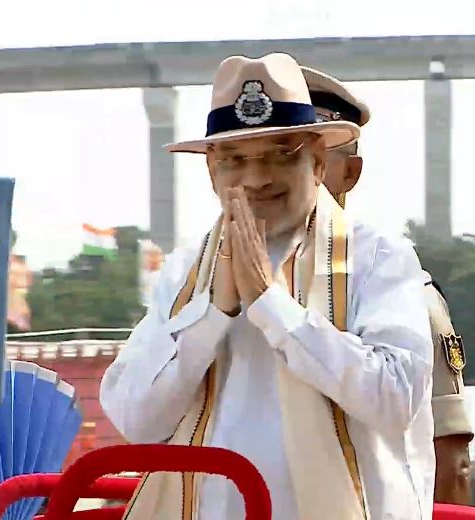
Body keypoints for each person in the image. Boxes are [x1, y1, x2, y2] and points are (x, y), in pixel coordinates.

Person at [100, 53, 435, 520]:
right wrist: (213, 314)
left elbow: (396, 398)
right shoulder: (183, 272)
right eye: (235, 159)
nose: (257, 179)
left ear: (318, 162)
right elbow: (137, 419)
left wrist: (272, 306)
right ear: (212, 170)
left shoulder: (377, 257)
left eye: (282, 154)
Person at [301, 65, 474, 505]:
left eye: (314, 157)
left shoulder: (401, 292)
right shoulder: (214, 280)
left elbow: (448, 462)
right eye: (270, 152)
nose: (287, 174)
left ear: (350, 173)